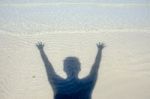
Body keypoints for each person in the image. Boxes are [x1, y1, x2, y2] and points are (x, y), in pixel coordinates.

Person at [36, 42, 105, 99]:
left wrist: (41, 50)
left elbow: (95, 67)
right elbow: (48, 66)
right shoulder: (87, 83)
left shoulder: (57, 83)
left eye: (74, 65)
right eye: (69, 66)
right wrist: (99, 50)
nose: (72, 68)